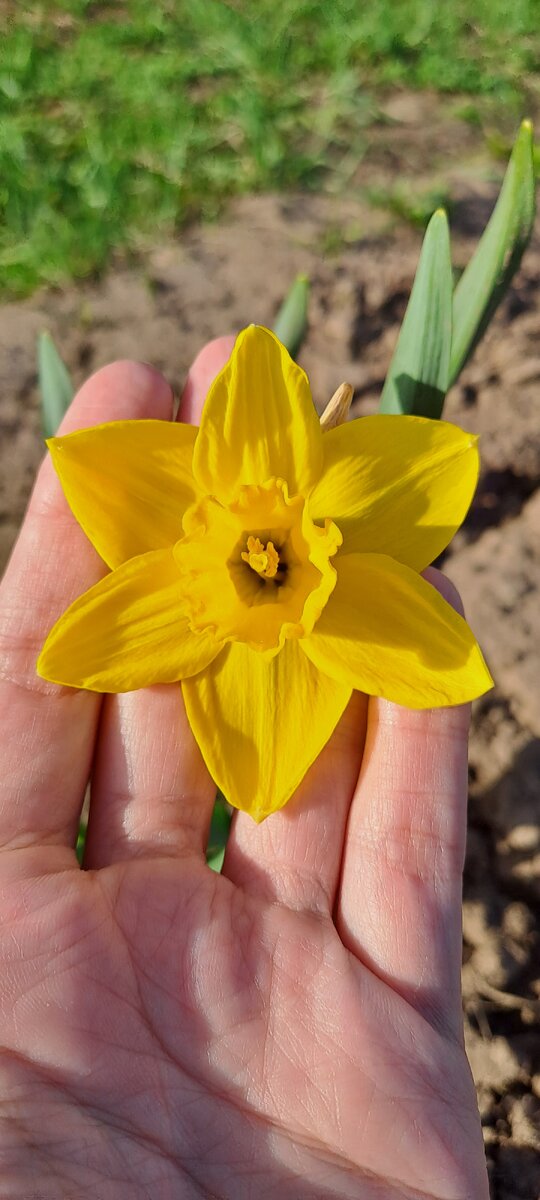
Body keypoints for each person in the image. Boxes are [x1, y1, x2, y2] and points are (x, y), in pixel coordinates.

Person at [0, 341, 489, 1199]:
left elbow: (439, 463)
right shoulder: (196, 554)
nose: (265, 561)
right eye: (260, 562)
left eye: (267, 559)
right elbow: (108, 487)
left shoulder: (341, 576)